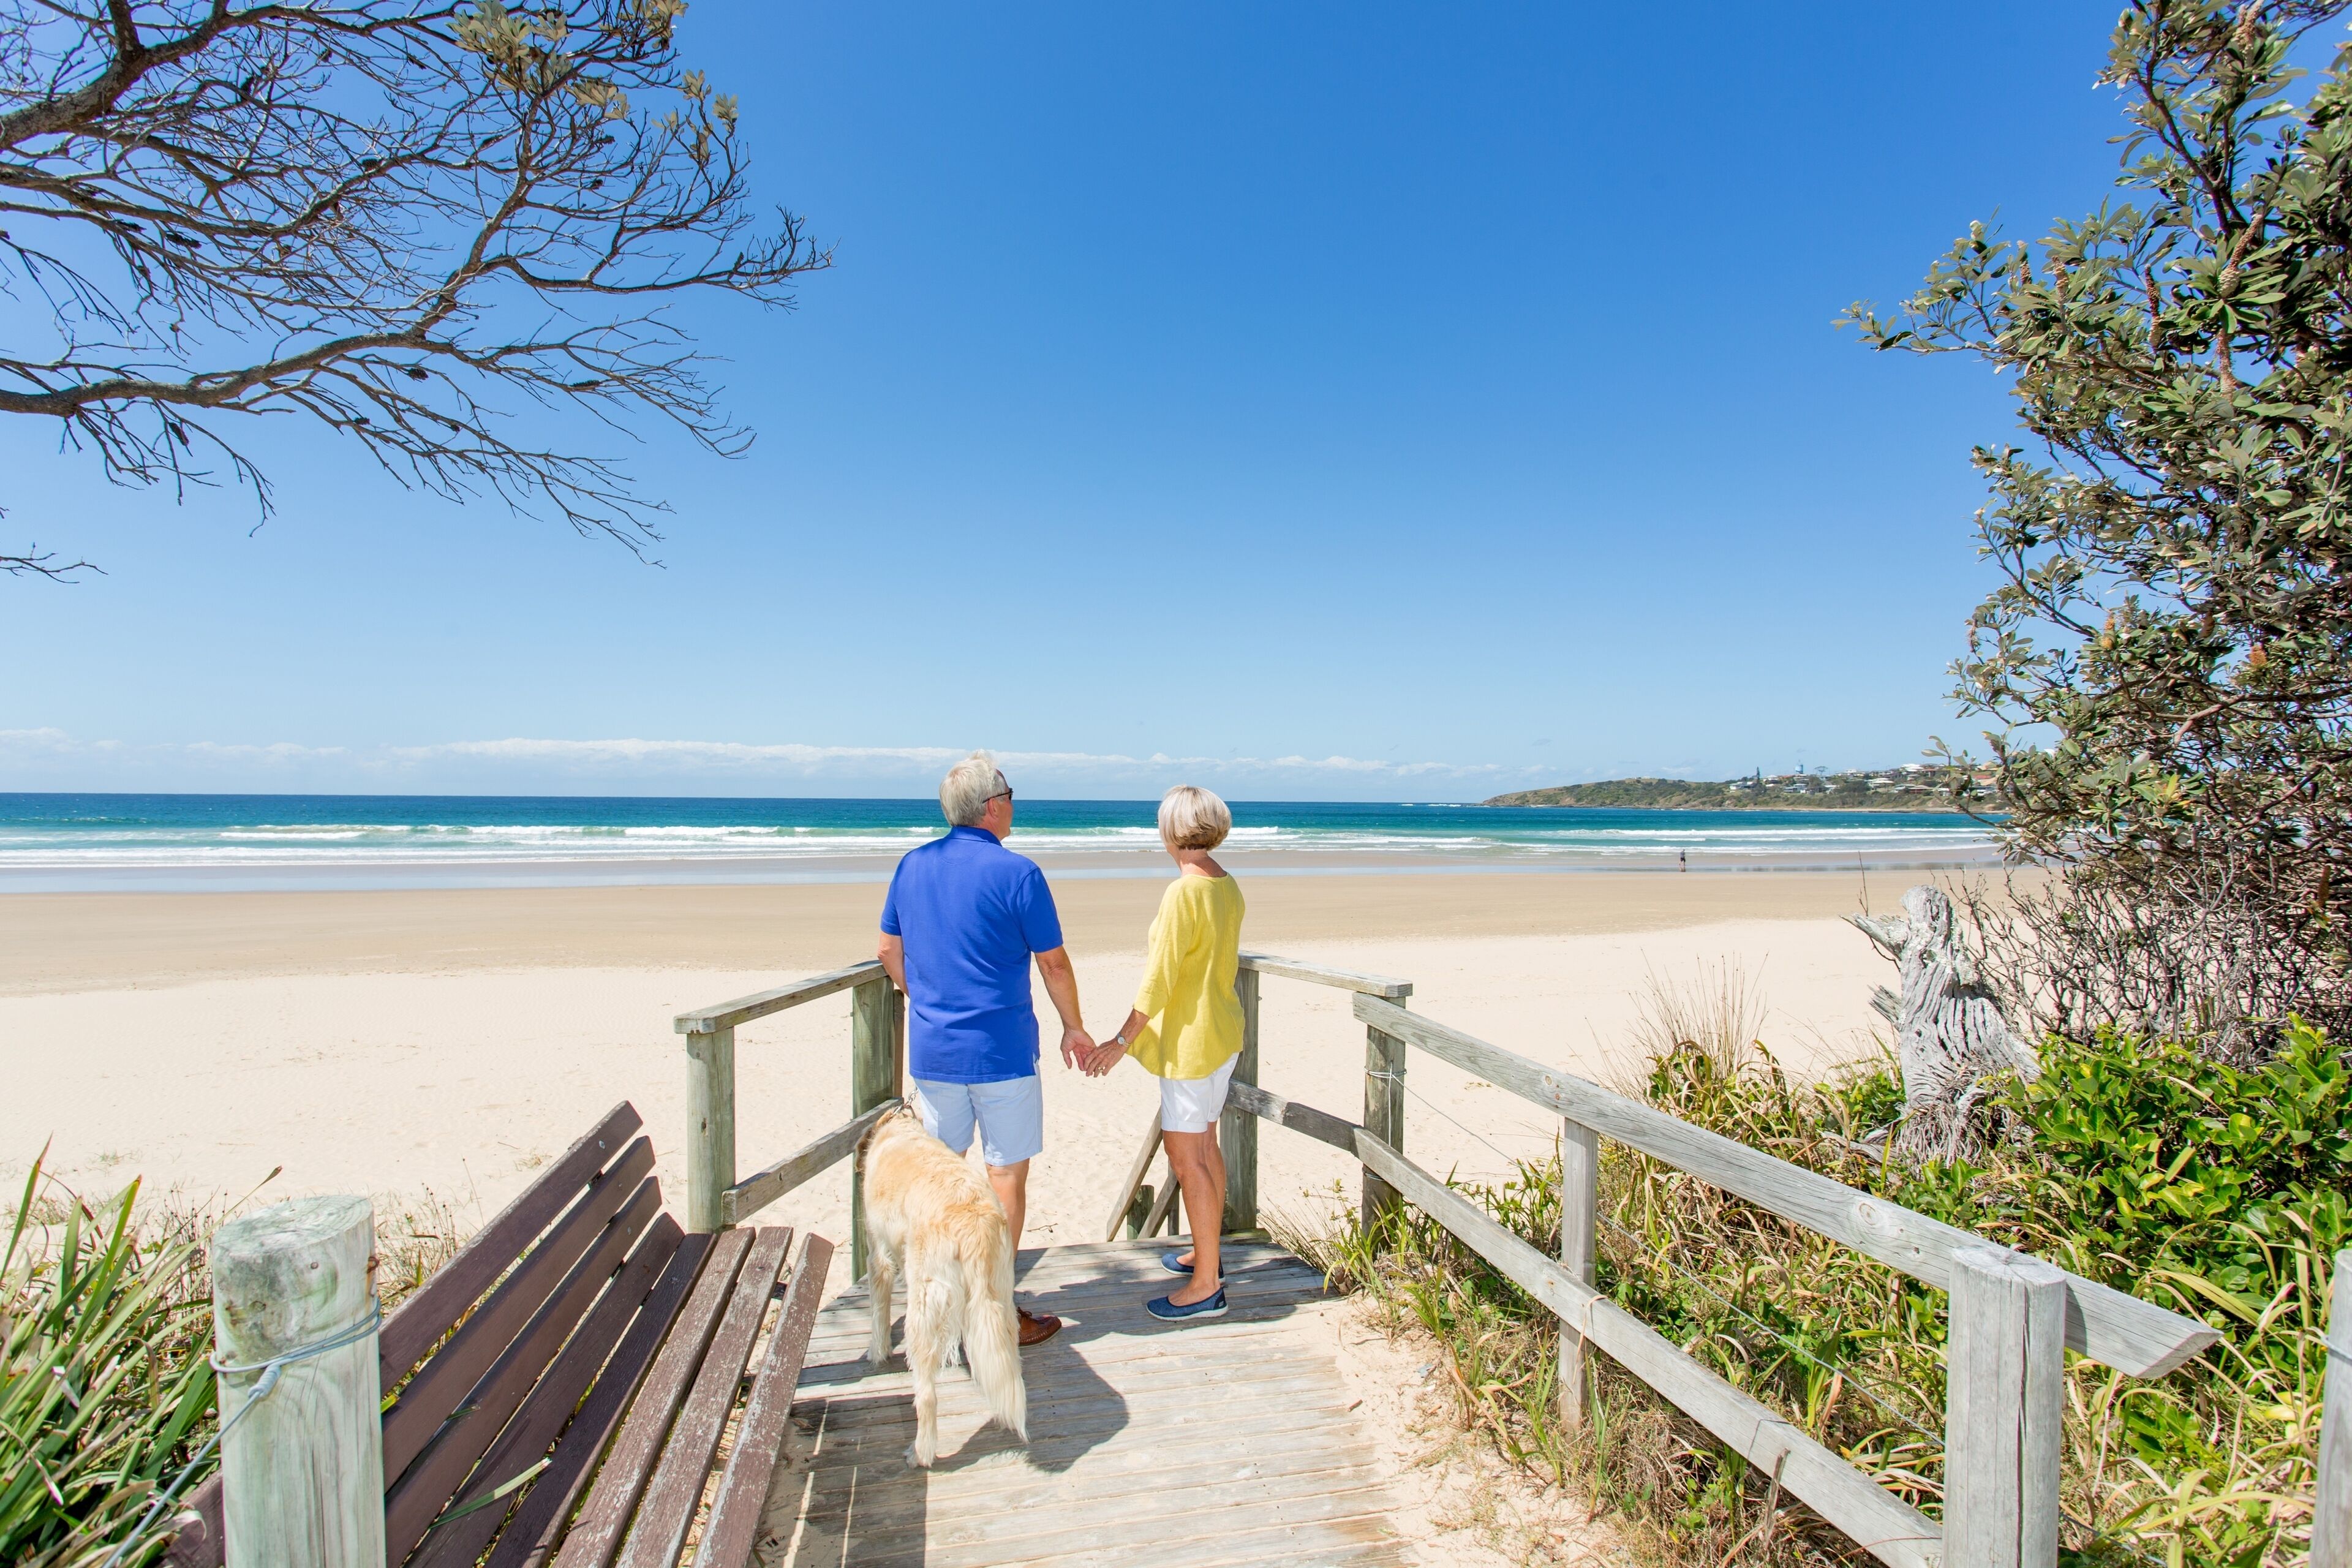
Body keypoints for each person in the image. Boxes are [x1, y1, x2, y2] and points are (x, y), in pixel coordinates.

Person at [878, 752, 1091, 1346]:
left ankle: (945, 1300)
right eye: (1011, 794)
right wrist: (1074, 1026)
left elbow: (888, 951)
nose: (1013, 803)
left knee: (944, 1178)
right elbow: (1052, 961)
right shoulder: (1018, 873)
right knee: (1004, 1178)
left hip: (935, 1051)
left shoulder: (912, 866)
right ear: (993, 806)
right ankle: (994, 1309)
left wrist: (923, 996)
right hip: (1001, 1053)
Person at [1083, 785, 1245, 1321]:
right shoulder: (1226, 884)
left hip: (1192, 1046)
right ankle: (1209, 1255)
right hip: (1222, 1035)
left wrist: (1120, 1040)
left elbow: (1160, 979)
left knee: (1187, 1158)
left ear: (1173, 831)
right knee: (1207, 1146)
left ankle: (1205, 1287)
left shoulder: (1184, 893)